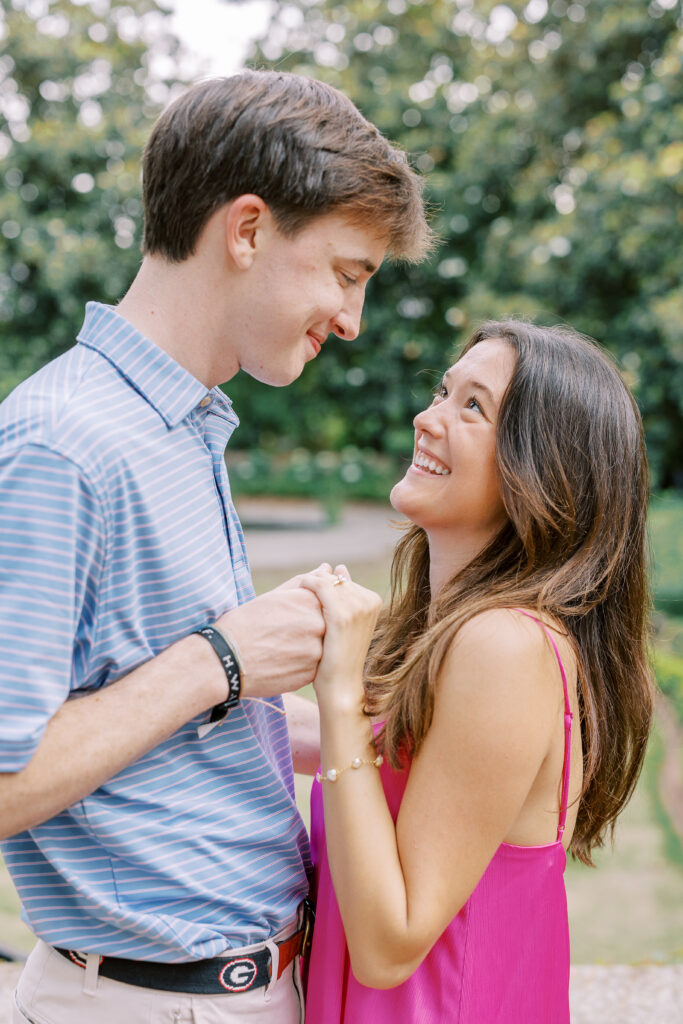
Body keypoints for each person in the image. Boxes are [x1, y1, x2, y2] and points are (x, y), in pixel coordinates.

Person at [0, 71, 431, 1024]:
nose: (351, 320)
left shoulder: (182, 423)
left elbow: (156, 738)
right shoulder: (65, 444)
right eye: (347, 273)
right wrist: (224, 660)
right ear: (246, 231)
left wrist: (364, 728)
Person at [300, 320, 654, 1023]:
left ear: (542, 468)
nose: (425, 418)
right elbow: (359, 762)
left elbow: (389, 944)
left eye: (472, 407)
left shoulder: (504, 647)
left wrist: (338, 693)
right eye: (442, 390)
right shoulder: (459, 635)